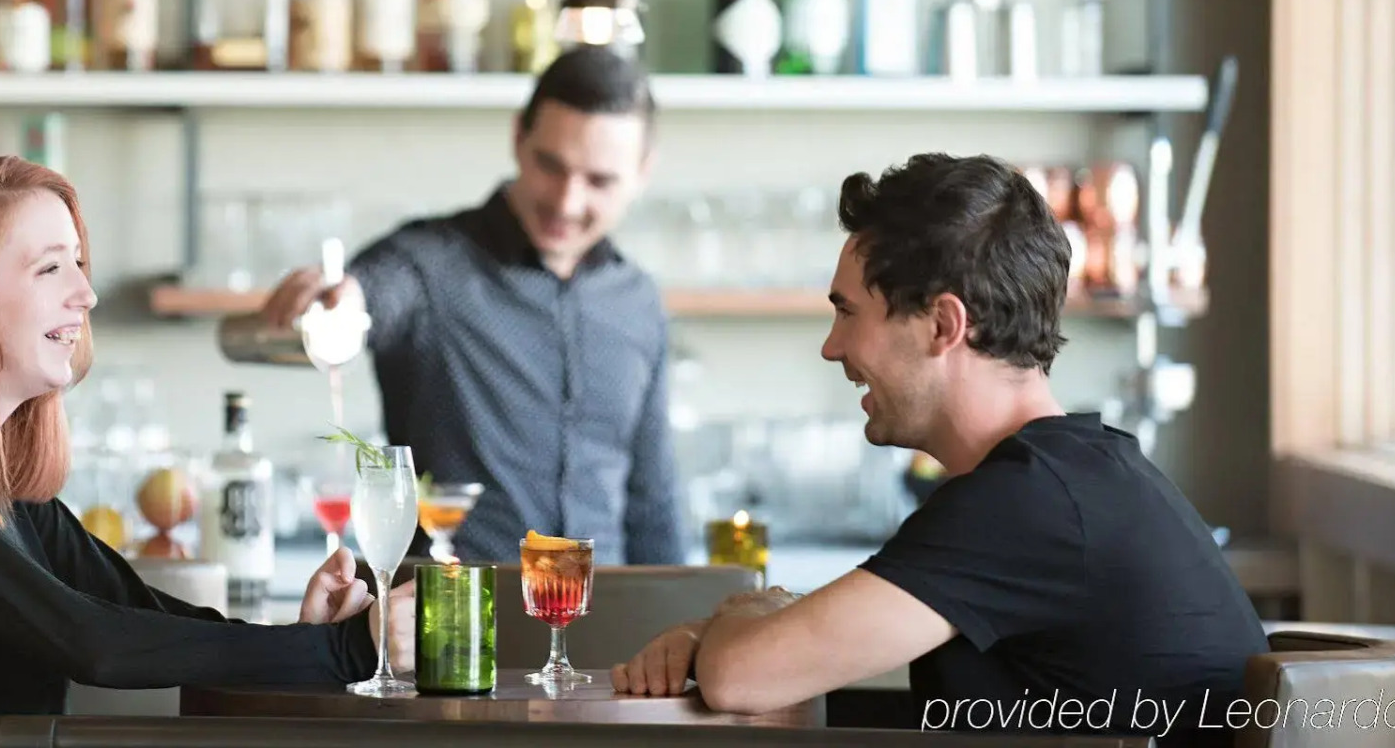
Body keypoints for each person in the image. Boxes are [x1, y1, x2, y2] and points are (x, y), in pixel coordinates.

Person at [611, 153, 1267, 748]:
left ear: (942, 325)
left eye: (848, 313)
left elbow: (739, 676)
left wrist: (742, 614)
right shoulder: (1079, 475)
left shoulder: (1025, 502)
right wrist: (735, 635)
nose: (831, 347)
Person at [0, 156, 413, 714]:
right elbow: (96, 643)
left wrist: (306, 640)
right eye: (50, 268)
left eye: (78, 264)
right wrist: (346, 651)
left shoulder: (0, 491)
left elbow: (139, 616)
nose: (86, 294)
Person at [260, 46, 682, 566]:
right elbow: (374, 292)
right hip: (455, 625)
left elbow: (653, 501)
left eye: (599, 181)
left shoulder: (638, 300)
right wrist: (342, 302)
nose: (567, 202)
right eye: (550, 165)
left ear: (643, 172)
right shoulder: (429, 265)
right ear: (517, 139)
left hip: (606, 629)